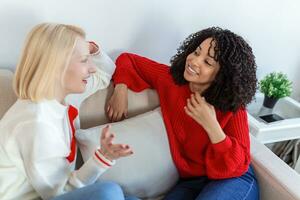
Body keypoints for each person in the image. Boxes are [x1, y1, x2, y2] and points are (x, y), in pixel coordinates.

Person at [107, 27, 259, 200]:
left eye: (207, 62)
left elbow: (239, 166)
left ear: (222, 75)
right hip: (191, 181)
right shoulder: (171, 81)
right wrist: (120, 89)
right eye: (196, 52)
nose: (194, 61)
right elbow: (129, 60)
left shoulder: (233, 106)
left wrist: (211, 125)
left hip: (232, 179)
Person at [0, 23, 138, 200]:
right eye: (83, 60)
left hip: (57, 192)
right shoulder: (36, 123)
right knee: (109, 192)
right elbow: (58, 193)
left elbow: (105, 71)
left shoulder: (64, 98)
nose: (92, 67)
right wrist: (100, 159)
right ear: (56, 66)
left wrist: (90, 50)